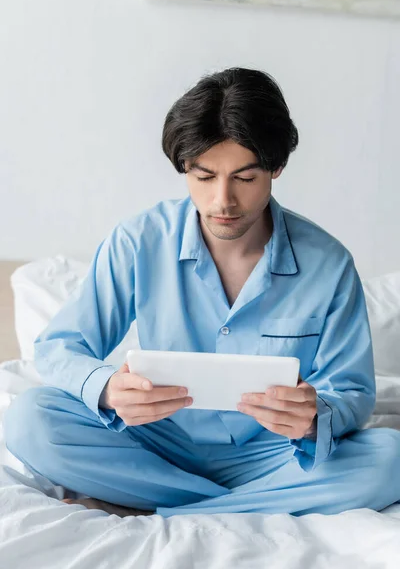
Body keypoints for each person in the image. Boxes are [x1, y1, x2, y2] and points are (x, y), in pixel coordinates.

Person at [5, 68, 400, 518]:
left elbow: (351, 390)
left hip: (273, 454)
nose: (222, 202)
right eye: (204, 177)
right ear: (185, 169)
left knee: (390, 458)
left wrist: (315, 416)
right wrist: (108, 388)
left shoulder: (328, 264)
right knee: (30, 419)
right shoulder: (139, 241)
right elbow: (60, 347)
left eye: (245, 179)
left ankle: (160, 508)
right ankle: (240, 509)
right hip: (155, 442)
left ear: (276, 168)